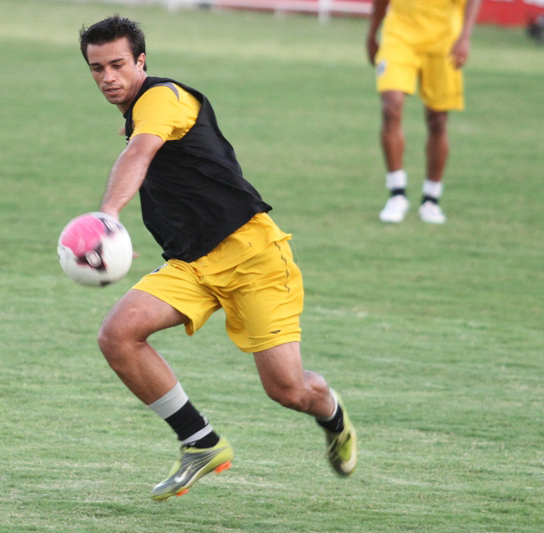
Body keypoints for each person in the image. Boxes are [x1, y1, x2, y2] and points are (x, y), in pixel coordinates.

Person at [78, 16, 358, 501]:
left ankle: (333, 416)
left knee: (288, 390)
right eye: (97, 68)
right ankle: (200, 442)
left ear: (141, 61)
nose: (108, 77)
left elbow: (139, 155)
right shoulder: (137, 114)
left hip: (252, 256)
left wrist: (108, 217)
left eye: (118, 64)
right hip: (191, 263)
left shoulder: (162, 98)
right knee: (117, 335)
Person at [366, 0, 482, 224]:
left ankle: (431, 198)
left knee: (437, 120)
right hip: (399, 36)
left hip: (443, 40)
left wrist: (465, 37)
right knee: (391, 107)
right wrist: (372, 32)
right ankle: (397, 194)